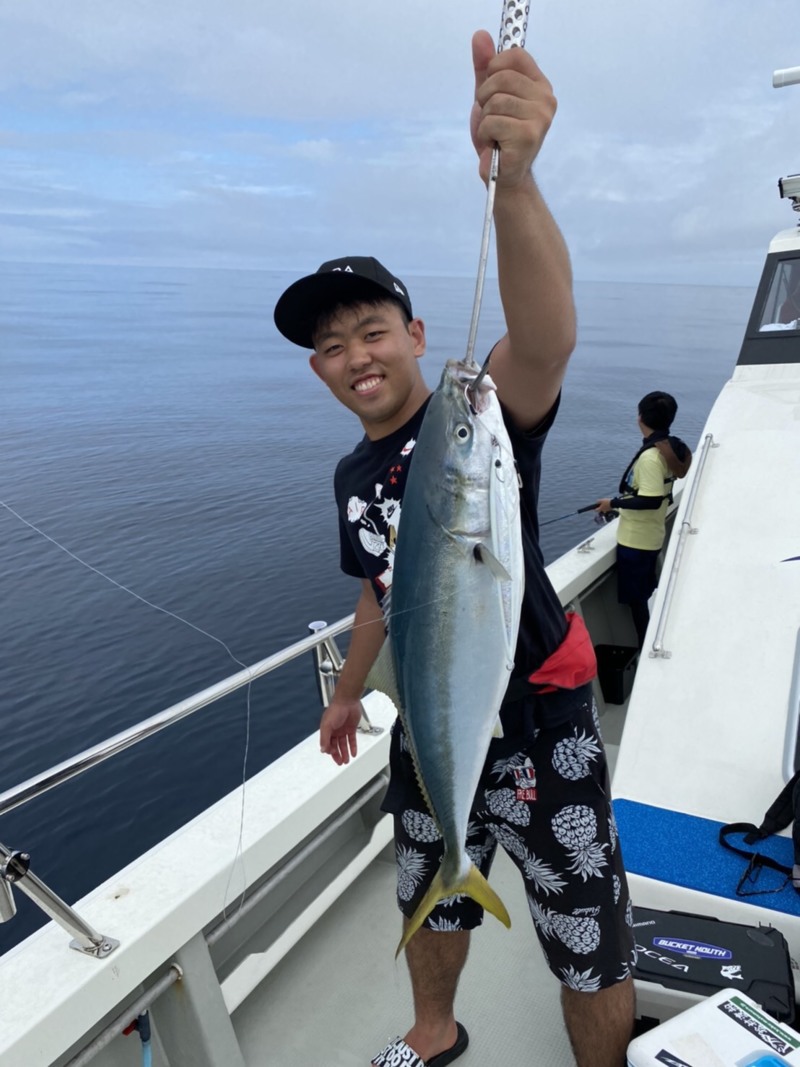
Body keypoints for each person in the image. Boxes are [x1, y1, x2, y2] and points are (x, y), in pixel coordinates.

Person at [274, 29, 635, 1067]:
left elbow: (545, 338)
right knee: (428, 896)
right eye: (330, 346)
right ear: (320, 372)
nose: (354, 355)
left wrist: (512, 185)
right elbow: (378, 592)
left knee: (587, 932)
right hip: (427, 728)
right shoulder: (351, 479)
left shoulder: (479, 426)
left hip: (540, 726)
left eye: (371, 330)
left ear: (416, 334)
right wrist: (348, 692)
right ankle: (433, 1031)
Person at [595, 392, 691, 650]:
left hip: (636, 542)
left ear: (640, 418)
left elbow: (651, 499)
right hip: (651, 537)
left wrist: (613, 504)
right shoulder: (669, 449)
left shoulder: (651, 457)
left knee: (639, 604)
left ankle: (646, 651)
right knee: (646, 596)